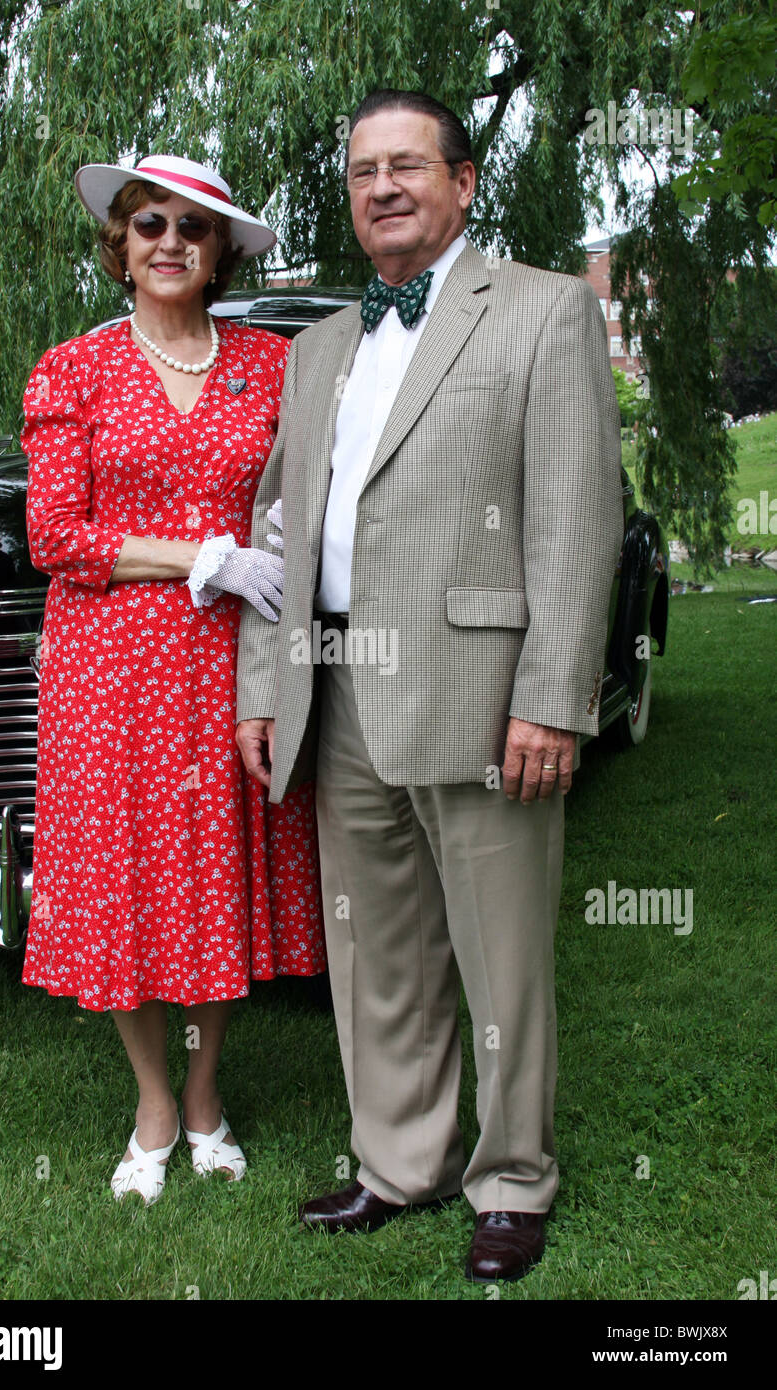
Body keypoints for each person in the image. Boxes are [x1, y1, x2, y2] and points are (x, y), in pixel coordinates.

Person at [236, 91, 622, 1281]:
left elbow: (573, 518)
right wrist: (264, 684)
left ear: (462, 183)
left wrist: (553, 694)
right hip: (336, 684)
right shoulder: (318, 352)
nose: (382, 187)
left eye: (407, 165)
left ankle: (510, 1179)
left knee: (498, 953)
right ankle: (397, 1164)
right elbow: (276, 527)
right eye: (361, 172)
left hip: (480, 686)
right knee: (376, 952)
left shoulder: (546, 311)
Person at [22, 154, 325, 1206]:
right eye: (149, 222)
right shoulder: (74, 369)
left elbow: (299, 499)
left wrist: (264, 554)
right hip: (109, 672)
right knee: (127, 880)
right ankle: (153, 1097)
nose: (168, 242)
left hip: (229, 662)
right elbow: (55, 535)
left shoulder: (272, 365)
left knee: (215, 875)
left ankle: (206, 1092)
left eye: (193, 230)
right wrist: (203, 556)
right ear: (120, 238)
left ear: (220, 253)